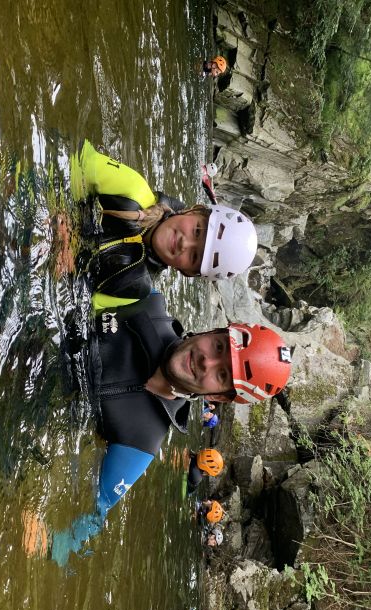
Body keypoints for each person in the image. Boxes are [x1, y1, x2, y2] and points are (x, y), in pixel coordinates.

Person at [23, 295, 292, 566]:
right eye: (219, 346)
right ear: (213, 331)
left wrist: (48, 542)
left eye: (221, 375)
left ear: (219, 398)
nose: (206, 361)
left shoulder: (142, 441)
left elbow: (94, 513)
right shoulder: (147, 305)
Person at [71, 140, 259, 307]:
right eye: (197, 231)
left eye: (194, 256)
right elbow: (72, 157)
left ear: (187, 272)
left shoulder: (136, 286)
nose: (184, 244)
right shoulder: (134, 191)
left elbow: (78, 307)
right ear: (193, 210)